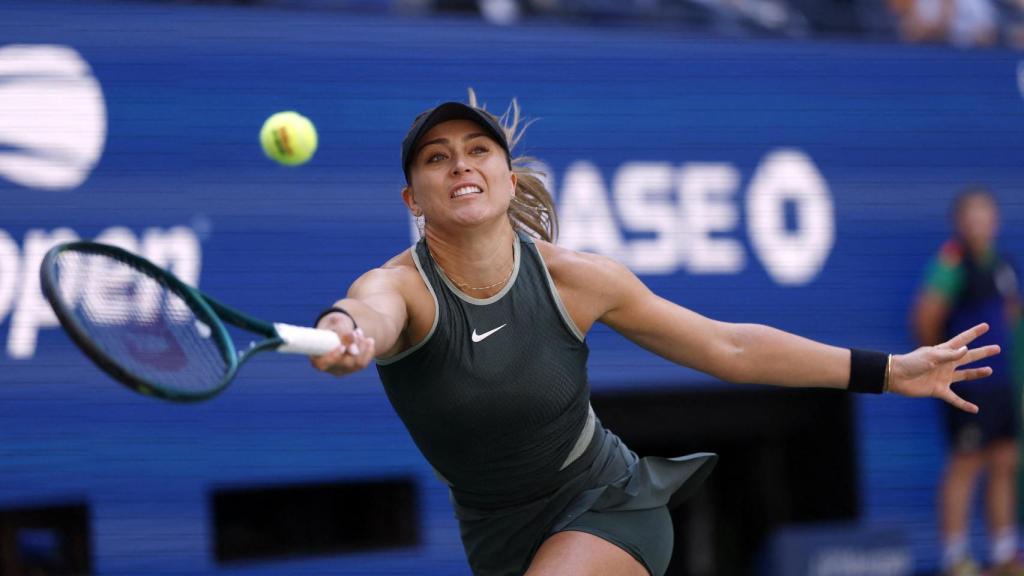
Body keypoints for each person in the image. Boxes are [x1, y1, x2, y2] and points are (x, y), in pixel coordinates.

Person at [310, 93, 1000, 576]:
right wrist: (344, 333)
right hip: (492, 533)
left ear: (506, 174)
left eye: (477, 149)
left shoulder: (578, 279)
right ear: (413, 199)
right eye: (435, 157)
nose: (460, 163)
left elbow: (729, 347)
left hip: (610, 501)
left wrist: (887, 371)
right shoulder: (400, 287)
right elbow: (367, 313)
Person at [912, 187, 1022, 576]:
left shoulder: (1002, 264)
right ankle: (956, 557)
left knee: (1005, 459)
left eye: (985, 215)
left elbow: (1010, 315)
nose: (978, 224)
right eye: (970, 216)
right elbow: (926, 315)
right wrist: (942, 366)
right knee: (965, 463)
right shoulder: (950, 263)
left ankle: (1005, 552)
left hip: (1000, 384)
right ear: (959, 222)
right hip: (967, 382)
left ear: (995, 221)